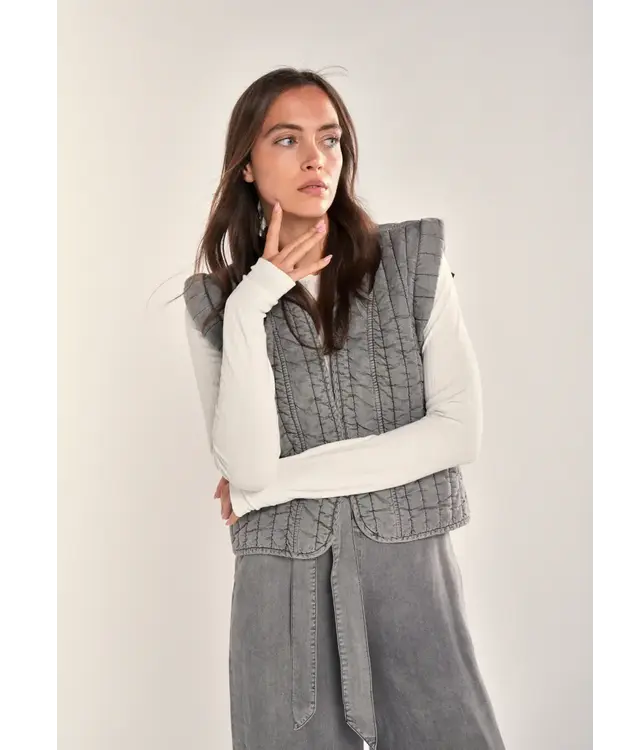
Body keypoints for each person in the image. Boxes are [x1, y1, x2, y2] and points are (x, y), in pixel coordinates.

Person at [183, 67, 506, 750]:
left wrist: (273, 485)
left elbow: (458, 433)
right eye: (287, 139)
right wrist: (252, 302)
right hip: (279, 586)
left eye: (329, 139)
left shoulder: (413, 260)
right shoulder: (217, 304)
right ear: (246, 165)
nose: (315, 158)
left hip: (408, 573)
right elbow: (247, 464)